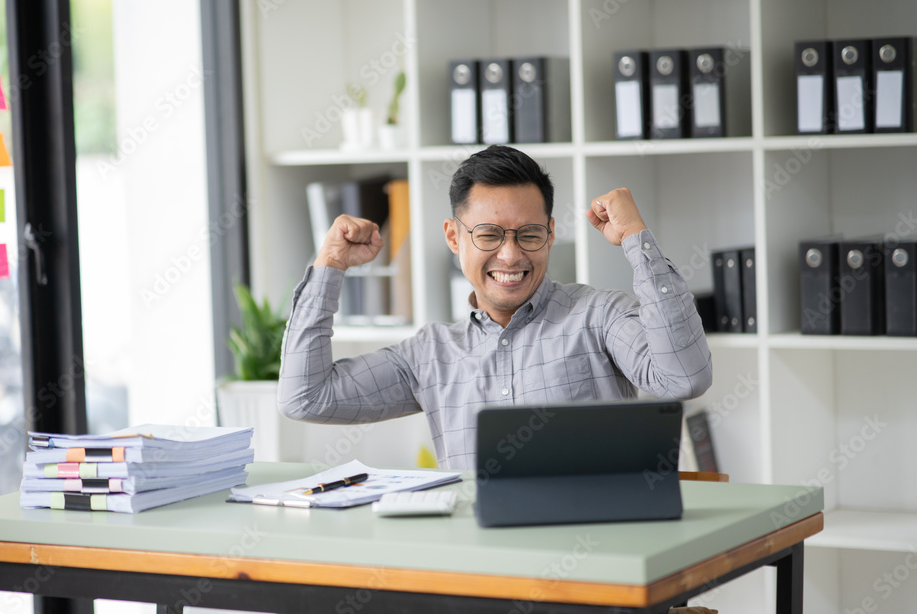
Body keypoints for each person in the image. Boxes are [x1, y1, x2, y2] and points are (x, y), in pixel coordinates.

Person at [278, 145, 712, 470]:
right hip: (484, 576)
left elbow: (684, 377)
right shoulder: (429, 354)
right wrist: (330, 266)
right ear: (454, 237)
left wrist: (636, 238)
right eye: (488, 235)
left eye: (528, 234)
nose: (510, 256)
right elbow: (306, 398)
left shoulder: (599, 317)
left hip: (596, 570)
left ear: (550, 233)